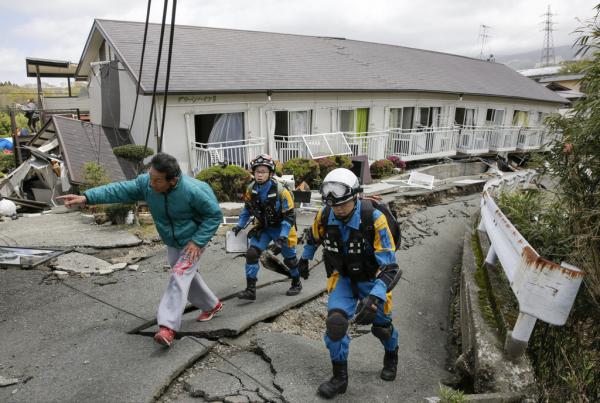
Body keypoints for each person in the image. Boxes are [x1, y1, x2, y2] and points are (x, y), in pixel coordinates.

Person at [57, 152, 224, 347]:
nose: (151, 183)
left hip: (192, 241)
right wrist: (86, 197)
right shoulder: (147, 183)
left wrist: (198, 241)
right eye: (150, 176)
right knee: (186, 275)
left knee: (179, 275)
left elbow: (214, 216)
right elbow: (118, 190)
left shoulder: (194, 191)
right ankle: (212, 305)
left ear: (173, 180)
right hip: (172, 239)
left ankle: (167, 327)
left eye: (157, 180)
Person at [299, 168, 401, 399]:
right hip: (342, 278)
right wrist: (304, 259)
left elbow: (390, 267)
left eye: (343, 204)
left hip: (372, 279)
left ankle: (392, 355)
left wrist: (375, 299)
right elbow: (313, 238)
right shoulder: (325, 215)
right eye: (334, 205)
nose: (339, 209)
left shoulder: (374, 219)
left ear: (356, 196)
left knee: (381, 327)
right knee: (335, 324)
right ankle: (339, 379)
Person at [232, 153, 303, 300]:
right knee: (252, 253)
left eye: (263, 172)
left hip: (282, 229)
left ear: (270, 173)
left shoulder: (282, 191)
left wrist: (282, 237)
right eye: (257, 171)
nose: (259, 175)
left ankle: (296, 282)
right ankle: (250, 290)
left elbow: (290, 216)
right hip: (263, 228)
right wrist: (240, 225)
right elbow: (247, 209)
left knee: (290, 260)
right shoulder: (251, 189)